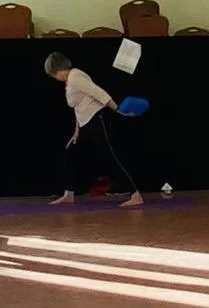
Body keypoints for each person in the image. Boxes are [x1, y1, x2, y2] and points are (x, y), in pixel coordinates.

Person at [45, 52, 144, 209]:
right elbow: (78, 106)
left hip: (95, 120)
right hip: (85, 124)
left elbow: (99, 93)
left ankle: (135, 194)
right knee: (71, 152)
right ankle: (69, 193)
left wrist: (118, 110)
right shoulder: (70, 80)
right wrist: (76, 132)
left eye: (54, 74)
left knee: (110, 157)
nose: (55, 78)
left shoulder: (75, 77)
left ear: (58, 69)